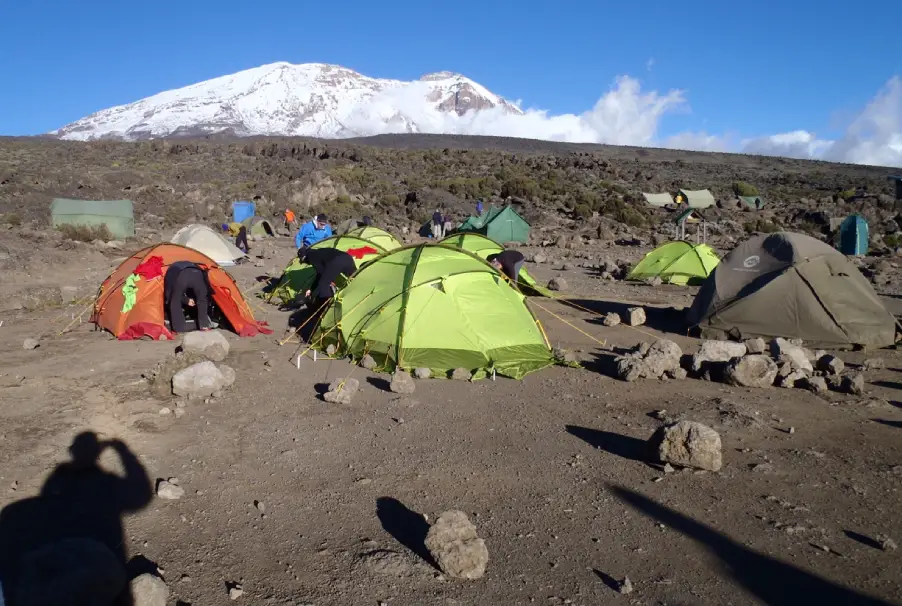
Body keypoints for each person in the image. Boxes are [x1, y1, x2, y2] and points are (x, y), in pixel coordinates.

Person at [298, 248, 357, 332]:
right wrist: (311, 289)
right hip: (348, 258)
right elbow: (321, 273)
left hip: (337, 261)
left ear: (304, 257)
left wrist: (314, 290)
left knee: (323, 284)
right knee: (355, 279)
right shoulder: (319, 252)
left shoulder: (311, 256)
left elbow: (321, 274)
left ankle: (326, 307)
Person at [164, 261, 213, 333]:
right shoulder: (193, 264)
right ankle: (204, 326)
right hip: (198, 274)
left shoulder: (170, 271)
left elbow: (170, 294)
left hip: (181, 275)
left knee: (175, 301)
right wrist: (187, 300)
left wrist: (182, 300)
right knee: (202, 299)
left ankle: (178, 329)